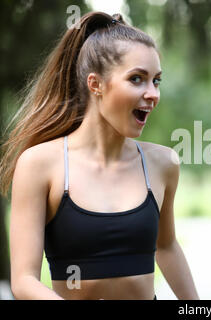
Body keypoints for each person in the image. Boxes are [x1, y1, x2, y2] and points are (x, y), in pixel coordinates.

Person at [0, 12, 198, 300]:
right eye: (137, 79)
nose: (152, 93)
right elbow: (23, 280)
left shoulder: (163, 163)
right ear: (96, 85)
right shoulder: (39, 164)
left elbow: (166, 247)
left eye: (156, 81)